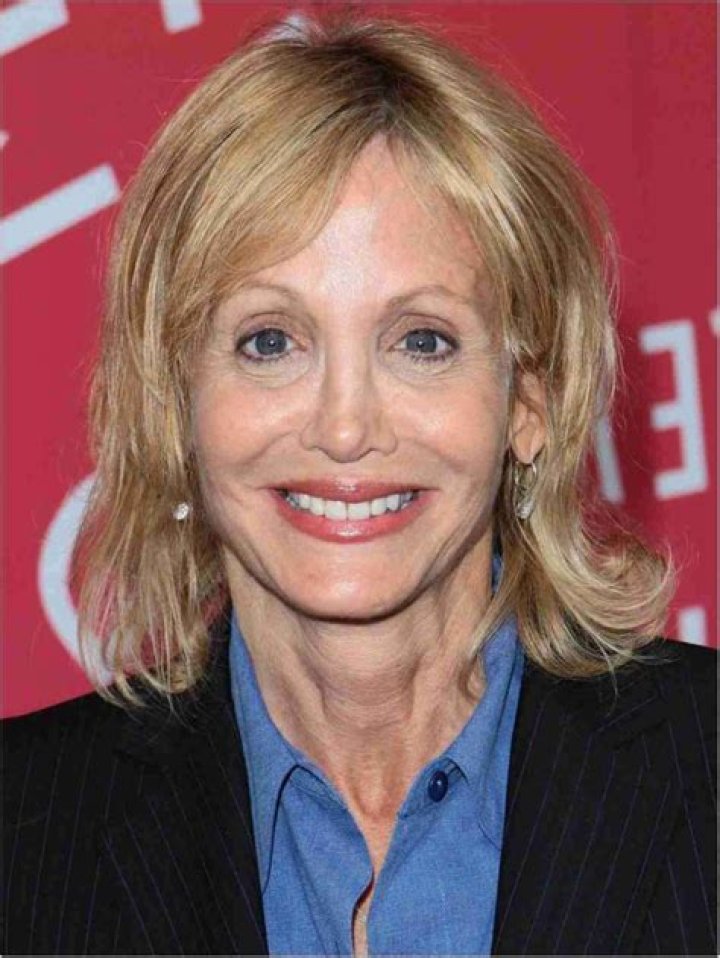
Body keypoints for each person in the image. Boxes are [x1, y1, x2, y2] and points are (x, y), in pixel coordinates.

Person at [2, 11, 715, 957]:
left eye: (422, 341)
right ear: (174, 400)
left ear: (529, 400)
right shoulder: (21, 834)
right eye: (270, 342)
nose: (345, 428)